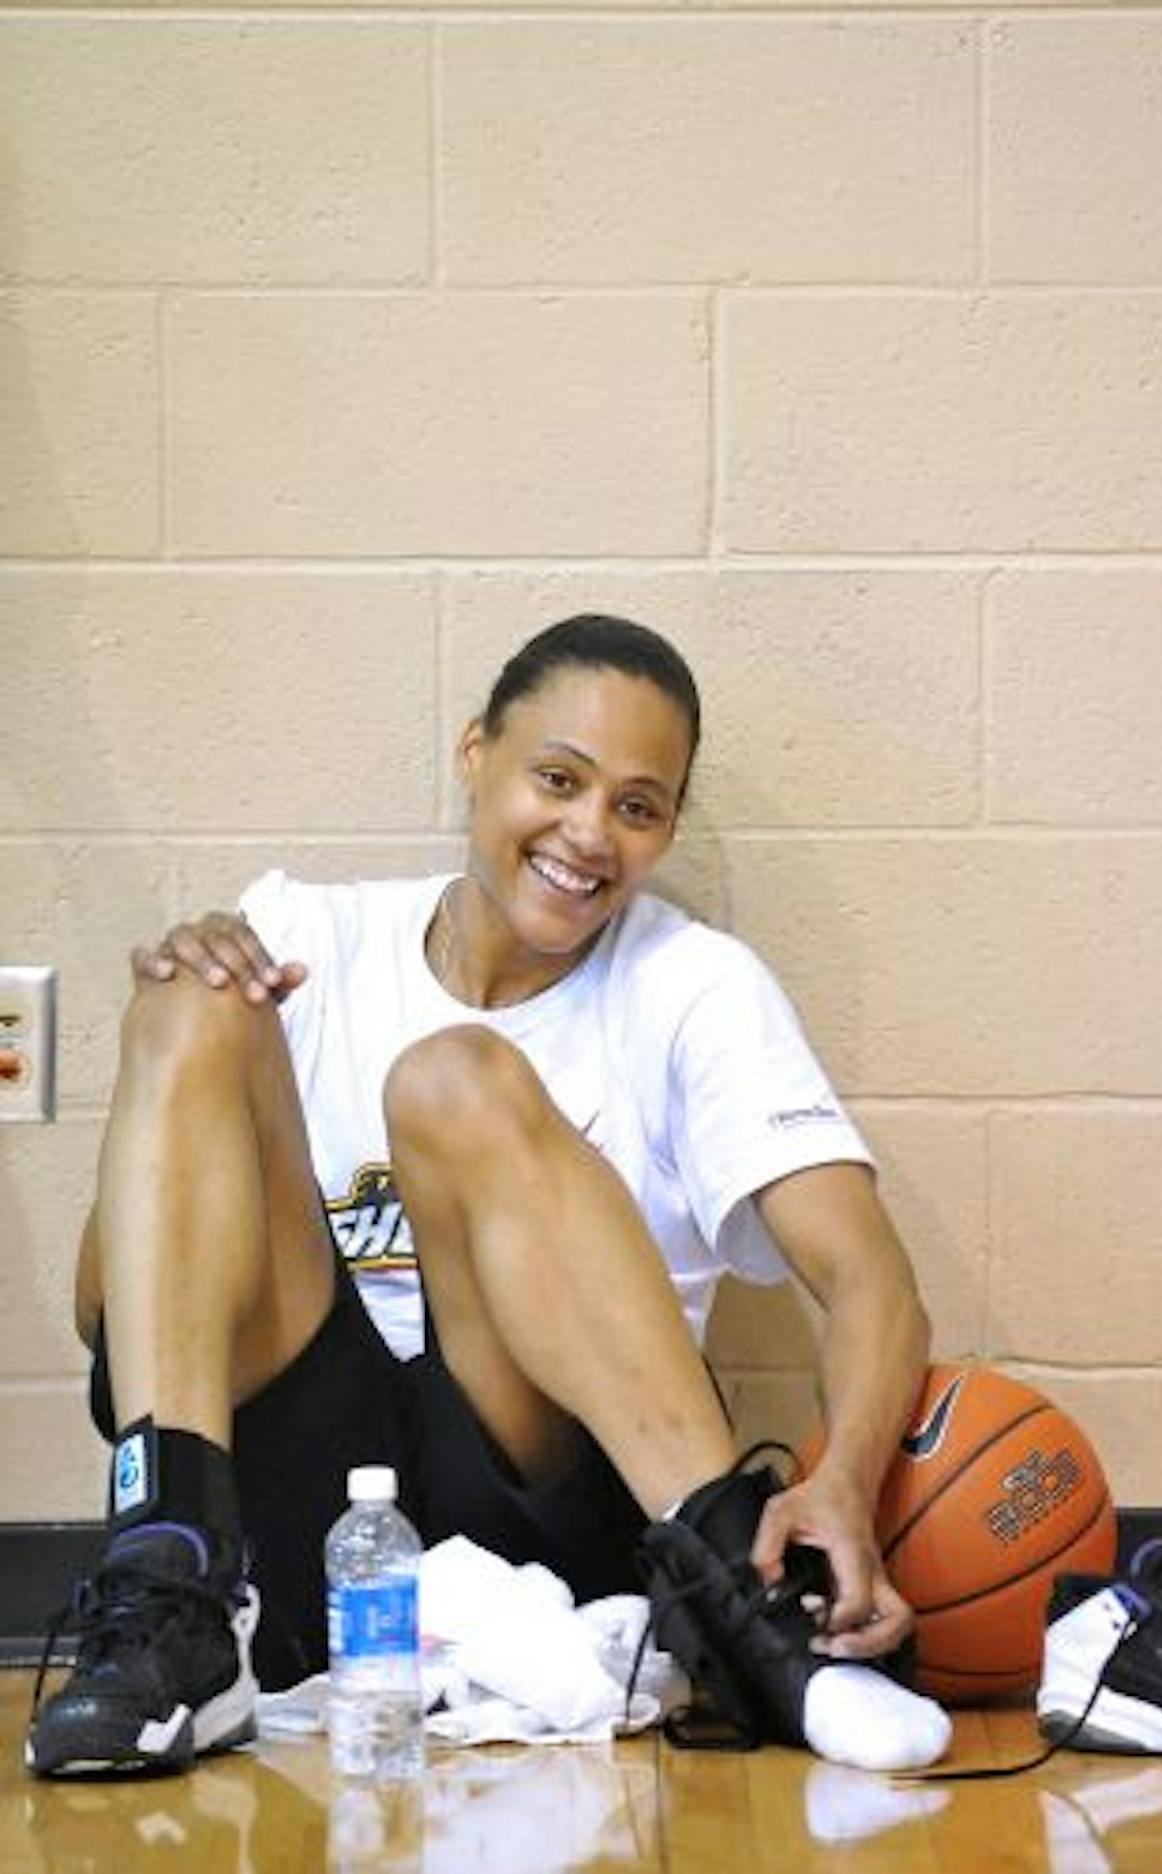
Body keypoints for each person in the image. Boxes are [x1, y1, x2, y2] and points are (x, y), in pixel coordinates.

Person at [27, 614, 950, 1779]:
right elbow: (101, 1308)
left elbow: (872, 1280)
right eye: (556, 779)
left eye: (636, 805)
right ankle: (173, 1586)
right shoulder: (306, 933)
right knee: (191, 1000)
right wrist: (182, 1032)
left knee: (452, 1077)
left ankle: (750, 1620)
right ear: (476, 754)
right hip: (308, 1507)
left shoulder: (693, 983)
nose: (586, 833)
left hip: (531, 1485)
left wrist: (845, 1481)